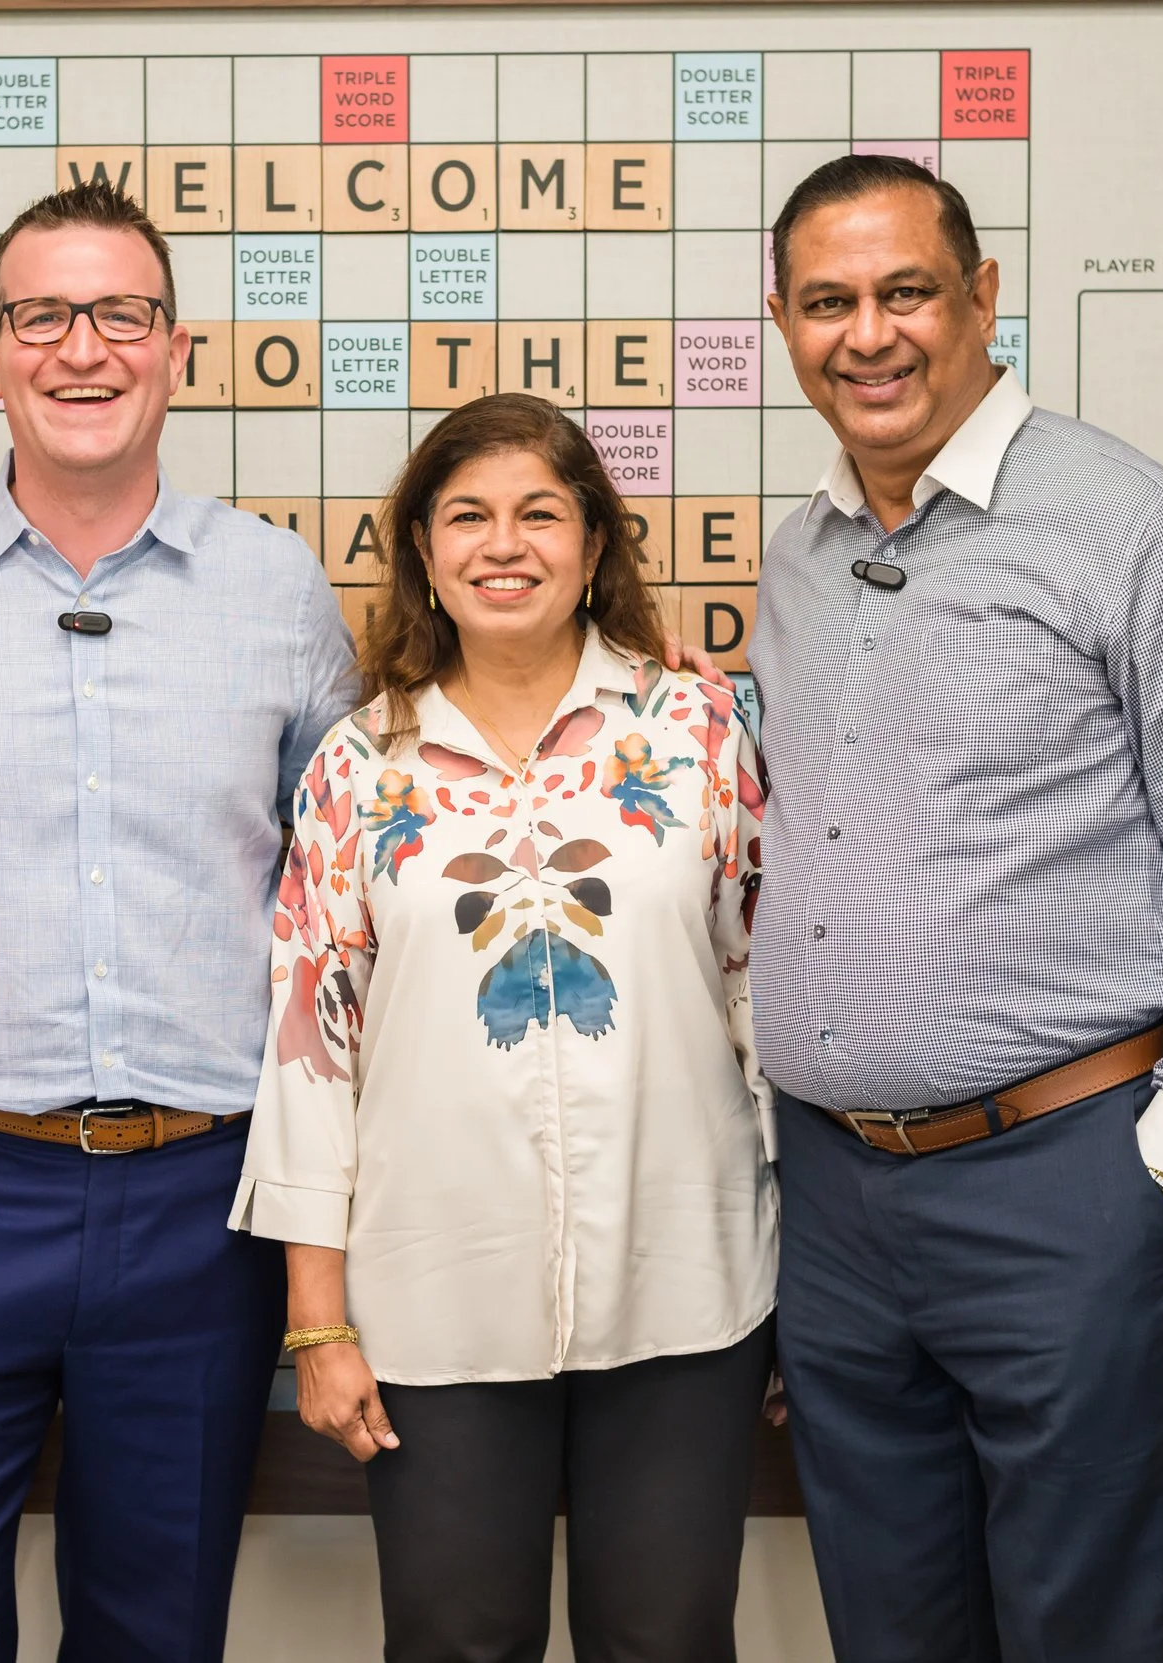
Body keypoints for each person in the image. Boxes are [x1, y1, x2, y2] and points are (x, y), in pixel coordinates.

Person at [748, 152, 1163, 1661]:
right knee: (889, 1627)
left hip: (1067, 1177)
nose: (869, 334)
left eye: (906, 292)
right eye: (829, 302)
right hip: (833, 1198)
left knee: (1088, 1627)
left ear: (983, 299)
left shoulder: (1134, 524)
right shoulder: (799, 552)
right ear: (783, 322)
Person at [0, 178, 362, 1662]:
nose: (82, 347)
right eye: (43, 315)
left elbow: (361, 876)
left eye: (119, 312)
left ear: (177, 347)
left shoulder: (279, 591)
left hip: (203, 1201)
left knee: (156, 1627)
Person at [235, 393, 777, 1663]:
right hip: (433, 1302)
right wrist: (317, 1323)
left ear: (595, 542)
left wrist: (808, 1276)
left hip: (686, 1286)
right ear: (422, 549)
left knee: (668, 1639)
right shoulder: (358, 769)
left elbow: (765, 1001)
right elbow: (313, 1051)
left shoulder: (698, 733)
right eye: (467, 514)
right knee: (453, 1643)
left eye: (541, 512)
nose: (504, 543)